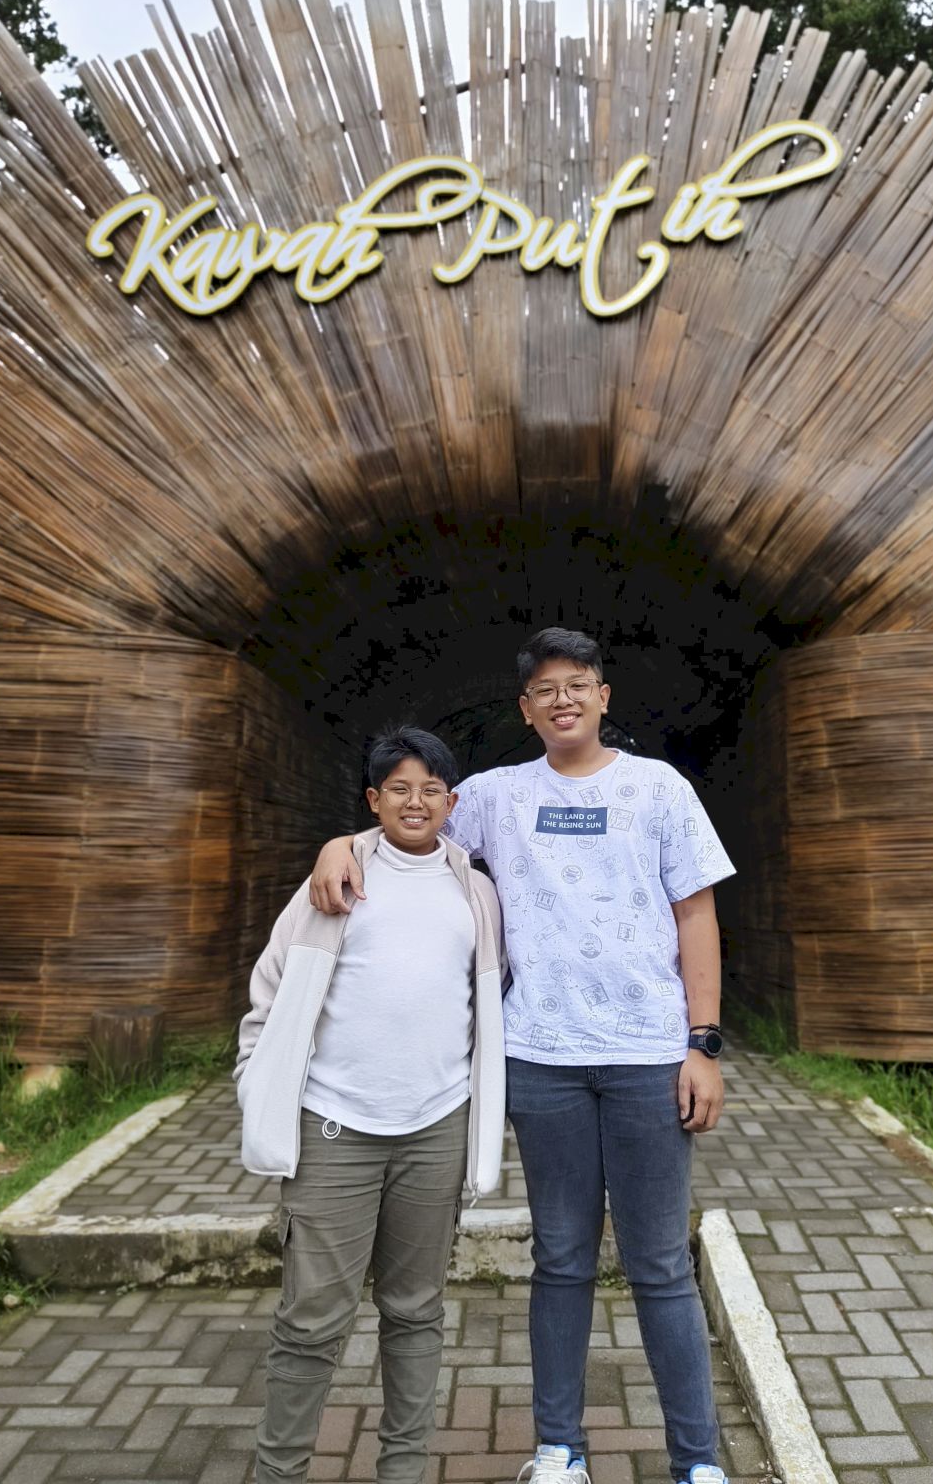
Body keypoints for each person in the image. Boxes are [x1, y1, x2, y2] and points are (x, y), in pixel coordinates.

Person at [310, 629, 735, 1484]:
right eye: (546, 689)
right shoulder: (496, 796)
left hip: (648, 1057)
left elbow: (695, 916)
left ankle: (697, 1462)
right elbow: (410, 821)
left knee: (659, 1265)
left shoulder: (659, 788)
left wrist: (702, 1045)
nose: (562, 699)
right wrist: (340, 846)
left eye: (577, 684)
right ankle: (558, 1450)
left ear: (603, 697)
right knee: (562, 1259)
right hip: (540, 1061)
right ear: (526, 709)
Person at [235, 725, 506, 1484]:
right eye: (399, 789)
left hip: (436, 1127)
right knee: (311, 1319)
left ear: (451, 803)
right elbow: (270, 991)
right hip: (334, 1128)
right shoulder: (336, 879)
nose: (416, 802)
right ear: (373, 800)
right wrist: (257, 1081)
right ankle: (279, 1473)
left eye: (431, 790)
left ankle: (403, 1471)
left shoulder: (477, 893)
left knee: (416, 1311)